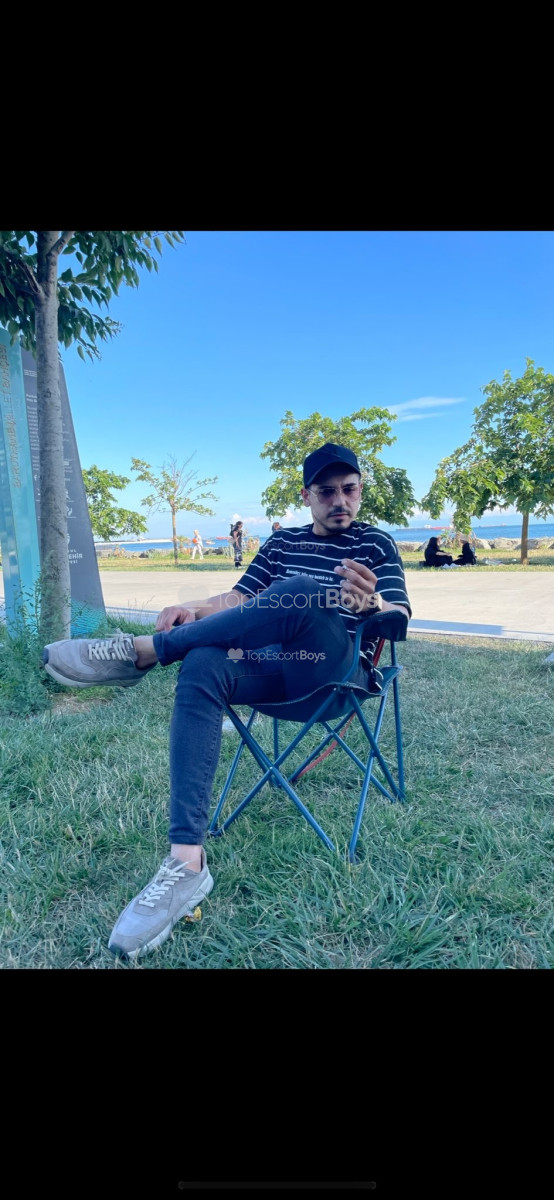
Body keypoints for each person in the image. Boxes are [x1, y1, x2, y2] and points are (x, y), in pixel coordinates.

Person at [42, 442, 412, 960]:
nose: (339, 501)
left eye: (348, 490)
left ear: (359, 490)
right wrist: (192, 608)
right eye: (326, 492)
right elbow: (238, 599)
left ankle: (144, 652)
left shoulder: (375, 543)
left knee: (305, 590)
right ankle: (185, 864)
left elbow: (399, 616)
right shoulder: (281, 543)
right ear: (306, 495)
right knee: (203, 661)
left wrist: (371, 602)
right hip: (271, 673)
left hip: (334, 677)